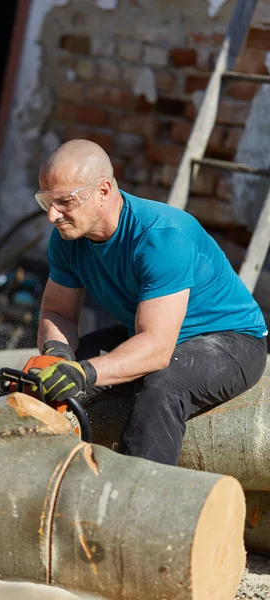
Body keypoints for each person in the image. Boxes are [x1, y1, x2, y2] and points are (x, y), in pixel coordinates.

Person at [33, 139, 268, 466]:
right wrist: (58, 355)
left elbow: (157, 349)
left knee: (162, 384)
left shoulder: (161, 236)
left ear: (103, 191)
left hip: (231, 341)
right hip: (145, 331)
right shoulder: (66, 240)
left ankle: (139, 498)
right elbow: (57, 312)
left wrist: (87, 373)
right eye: (46, 201)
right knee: (50, 380)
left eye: (65, 202)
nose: (53, 215)